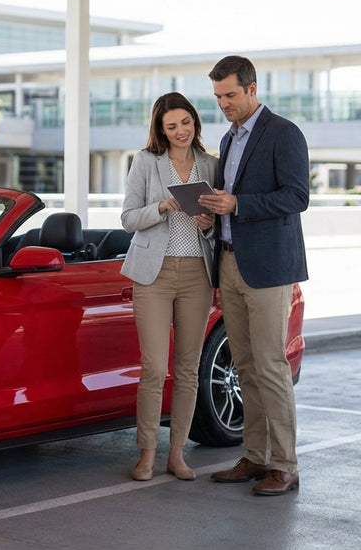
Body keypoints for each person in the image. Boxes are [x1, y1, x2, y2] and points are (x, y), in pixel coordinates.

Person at [198, 55, 309, 496]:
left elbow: (297, 196)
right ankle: (255, 456)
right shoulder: (227, 140)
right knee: (244, 365)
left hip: (267, 268)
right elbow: (227, 199)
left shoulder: (284, 133)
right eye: (218, 97)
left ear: (251, 89)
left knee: (270, 365)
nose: (223, 103)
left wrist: (238, 205)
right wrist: (212, 215)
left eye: (230, 95)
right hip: (228, 261)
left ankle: (285, 465)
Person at [120, 92, 218, 482]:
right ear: (161, 129)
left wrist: (210, 224)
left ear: (195, 122)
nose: (180, 131)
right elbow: (128, 218)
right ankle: (147, 454)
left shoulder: (211, 163)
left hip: (197, 272)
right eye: (171, 125)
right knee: (154, 369)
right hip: (153, 275)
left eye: (186, 123)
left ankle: (177, 455)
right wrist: (161, 207)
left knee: (188, 369)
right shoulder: (146, 162)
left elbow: (219, 220)